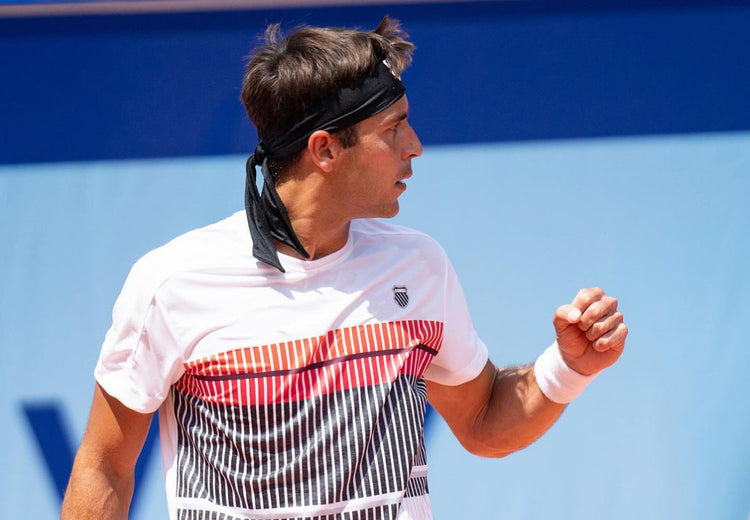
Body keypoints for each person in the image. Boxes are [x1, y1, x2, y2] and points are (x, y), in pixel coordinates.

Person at [61, 16, 628, 520]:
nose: (416, 146)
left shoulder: (419, 265)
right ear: (325, 151)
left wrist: (570, 367)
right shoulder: (172, 282)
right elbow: (104, 467)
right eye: (392, 129)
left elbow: (483, 421)